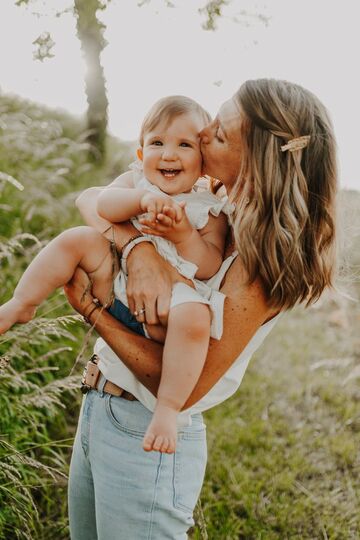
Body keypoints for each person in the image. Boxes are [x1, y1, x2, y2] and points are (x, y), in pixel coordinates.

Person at [65, 78, 337, 540]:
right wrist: (137, 250)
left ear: (257, 158)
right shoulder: (204, 199)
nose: (203, 134)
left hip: (146, 435)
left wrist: (94, 313)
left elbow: (183, 390)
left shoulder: (256, 268)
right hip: (101, 408)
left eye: (220, 133)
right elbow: (90, 200)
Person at [0, 96, 231, 453]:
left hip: (171, 298)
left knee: (197, 317)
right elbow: (103, 206)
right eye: (157, 143)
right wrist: (139, 200)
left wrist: (183, 234)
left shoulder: (207, 208)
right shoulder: (135, 181)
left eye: (184, 145)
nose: (168, 154)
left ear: (202, 164)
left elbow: (210, 265)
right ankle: (21, 303)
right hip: (116, 272)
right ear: (140, 154)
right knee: (76, 239)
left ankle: (168, 409)